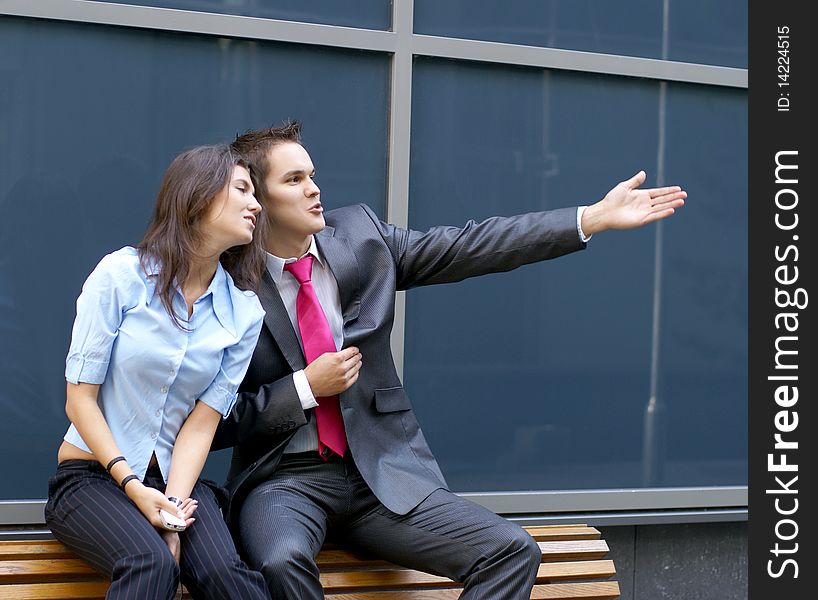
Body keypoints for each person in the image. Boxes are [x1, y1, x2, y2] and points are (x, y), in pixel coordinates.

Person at [213, 122, 687, 599]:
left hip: (381, 476)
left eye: (312, 174)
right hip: (284, 481)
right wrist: (304, 387)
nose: (314, 188)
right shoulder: (227, 282)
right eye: (293, 180)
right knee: (280, 561)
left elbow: (470, 245)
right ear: (256, 199)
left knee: (510, 550)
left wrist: (590, 218)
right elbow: (213, 421)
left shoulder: (360, 236)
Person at [45, 145, 272, 600]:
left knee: (228, 577)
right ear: (198, 195)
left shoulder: (244, 313)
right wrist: (133, 487)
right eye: (242, 190)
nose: (257, 205)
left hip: (174, 481)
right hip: (94, 477)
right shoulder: (121, 275)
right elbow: (79, 400)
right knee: (149, 563)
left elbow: (202, 422)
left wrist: (171, 513)